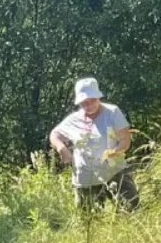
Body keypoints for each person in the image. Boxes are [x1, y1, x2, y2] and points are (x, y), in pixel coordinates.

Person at [48, 77, 138, 211]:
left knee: (130, 208)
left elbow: (126, 139)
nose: (89, 105)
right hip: (85, 179)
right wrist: (62, 149)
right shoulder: (74, 120)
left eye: (92, 100)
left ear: (98, 97)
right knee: (88, 219)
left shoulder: (112, 113)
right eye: (84, 103)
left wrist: (115, 152)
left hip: (115, 173)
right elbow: (54, 134)